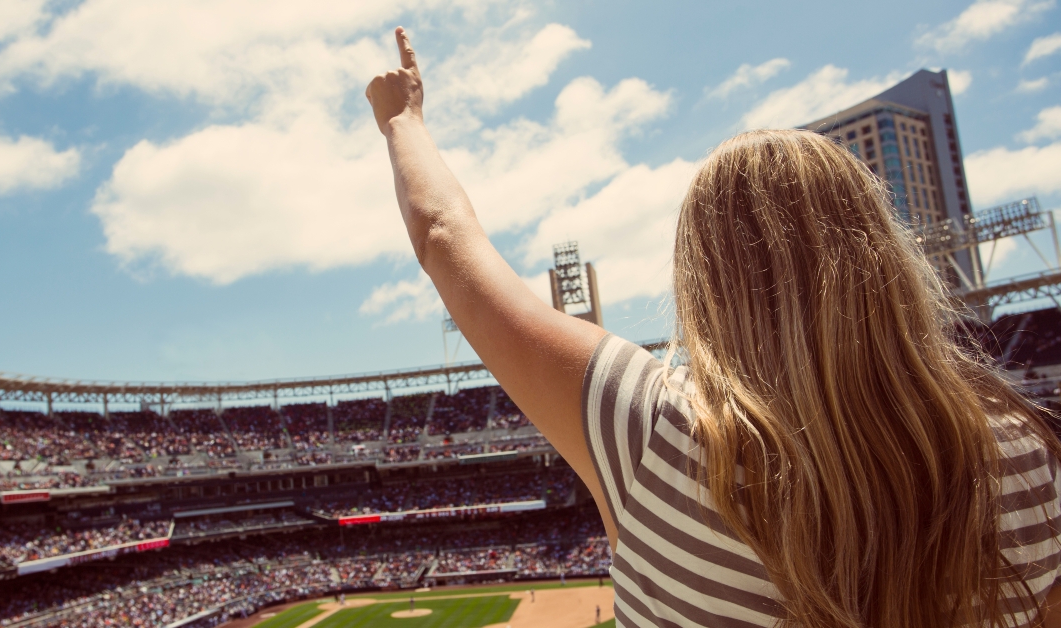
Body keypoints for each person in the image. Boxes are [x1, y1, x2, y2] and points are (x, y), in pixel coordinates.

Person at [366, 26, 1061, 628]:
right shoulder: (1027, 453)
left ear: (703, 281)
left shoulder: (653, 432)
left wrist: (404, 122)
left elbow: (443, 234)